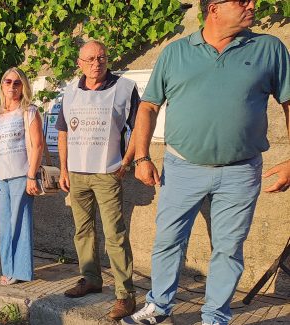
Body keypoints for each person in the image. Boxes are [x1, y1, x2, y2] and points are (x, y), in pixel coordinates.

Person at [121, 1, 290, 324]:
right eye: (241, 1)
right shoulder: (176, 53)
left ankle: (215, 316)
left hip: (241, 171)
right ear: (214, 8)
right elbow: (149, 107)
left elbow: (289, 103)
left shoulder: (268, 48)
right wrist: (141, 157)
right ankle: (158, 306)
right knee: (168, 240)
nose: (251, 5)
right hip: (182, 168)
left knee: (228, 248)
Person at [56, 40, 140, 320]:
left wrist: (127, 162)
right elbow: (64, 132)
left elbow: (139, 129)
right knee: (83, 230)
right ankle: (90, 278)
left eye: (101, 57)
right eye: (90, 59)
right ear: (79, 63)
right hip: (77, 174)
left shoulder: (124, 88)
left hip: (108, 173)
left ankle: (125, 295)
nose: (96, 63)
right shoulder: (70, 92)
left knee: (114, 234)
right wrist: (64, 170)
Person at [0, 67, 43, 285]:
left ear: (23, 86)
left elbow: (37, 146)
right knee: (6, 225)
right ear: (2, 85)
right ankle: (8, 269)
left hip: (21, 175)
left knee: (21, 222)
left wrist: (31, 176)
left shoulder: (29, 112)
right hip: (2, 177)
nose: (12, 86)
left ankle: (21, 271)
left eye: (17, 83)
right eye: (7, 82)